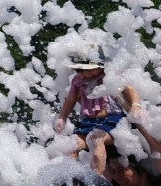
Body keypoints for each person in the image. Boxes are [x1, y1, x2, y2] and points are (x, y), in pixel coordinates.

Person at [53, 47, 141, 175]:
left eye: (86, 70)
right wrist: (62, 117)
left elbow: (130, 90)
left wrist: (136, 105)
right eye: (78, 70)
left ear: (99, 66)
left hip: (112, 120)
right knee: (71, 144)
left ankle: (95, 180)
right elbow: (70, 100)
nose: (82, 74)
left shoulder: (110, 76)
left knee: (95, 139)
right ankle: (69, 180)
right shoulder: (77, 80)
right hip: (88, 122)